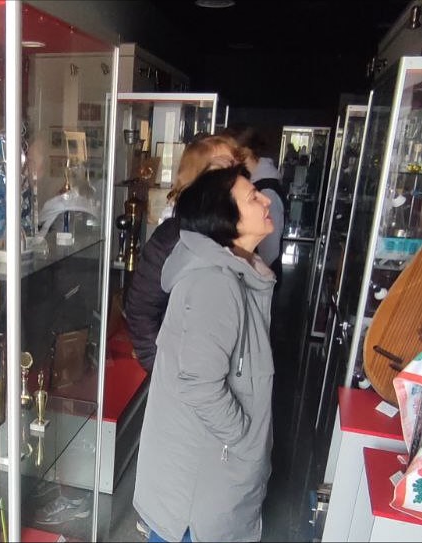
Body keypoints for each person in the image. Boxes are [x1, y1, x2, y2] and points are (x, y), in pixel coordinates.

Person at [134, 164, 276, 542]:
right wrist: (244, 437)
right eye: (252, 197)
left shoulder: (236, 274)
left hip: (209, 473)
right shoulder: (215, 283)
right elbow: (200, 385)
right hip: (197, 491)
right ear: (224, 218)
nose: (266, 200)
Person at [125, 135, 244, 372]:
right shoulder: (172, 235)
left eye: (234, 166)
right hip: (186, 376)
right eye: (222, 167)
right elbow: (140, 310)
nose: (232, 175)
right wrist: (163, 368)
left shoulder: (234, 230)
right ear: (197, 176)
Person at [226, 125, 286, 282]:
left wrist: (256, 276)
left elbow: (270, 249)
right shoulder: (254, 181)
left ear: (245, 151)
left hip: (259, 277)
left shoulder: (267, 189)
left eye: (230, 152)